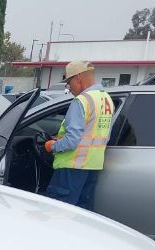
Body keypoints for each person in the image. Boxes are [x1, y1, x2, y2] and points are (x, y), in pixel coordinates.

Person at [43, 61, 114, 211]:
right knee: (81, 215)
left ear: (78, 77)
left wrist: (52, 146)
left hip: (71, 166)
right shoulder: (106, 99)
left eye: (69, 83)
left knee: (57, 213)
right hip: (92, 167)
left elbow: (72, 141)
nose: (69, 88)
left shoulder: (82, 101)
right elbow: (98, 134)